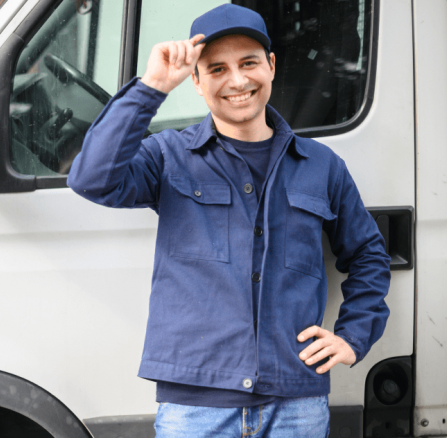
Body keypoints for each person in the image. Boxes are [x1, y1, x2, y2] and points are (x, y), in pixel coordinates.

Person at [67, 3, 390, 437]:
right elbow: (91, 179)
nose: (237, 81)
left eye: (249, 63)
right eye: (217, 69)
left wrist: (353, 337)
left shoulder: (322, 165)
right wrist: (152, 87)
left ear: (271, 65)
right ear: (196, 81)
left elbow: (368, 254)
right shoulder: (168, 156)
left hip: (295, 403)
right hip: (195, 407)